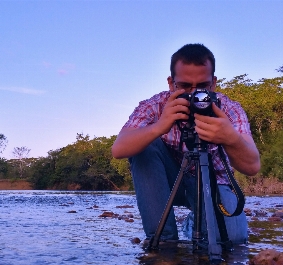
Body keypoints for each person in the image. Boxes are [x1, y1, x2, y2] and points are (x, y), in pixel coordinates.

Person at [111, 43, 260, 243]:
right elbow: (119, 149)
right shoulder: (154, 105)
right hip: (168, 182)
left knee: (231, 241)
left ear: (213, 83)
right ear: (171, 83)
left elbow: (252, 167)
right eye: (184, 86)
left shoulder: (229, 109)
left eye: (202, 87)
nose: (193, 94)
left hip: (214, 185)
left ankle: (194, 222)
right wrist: (159, 126)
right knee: (144, 144)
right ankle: (163, 239)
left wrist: (230, 137)